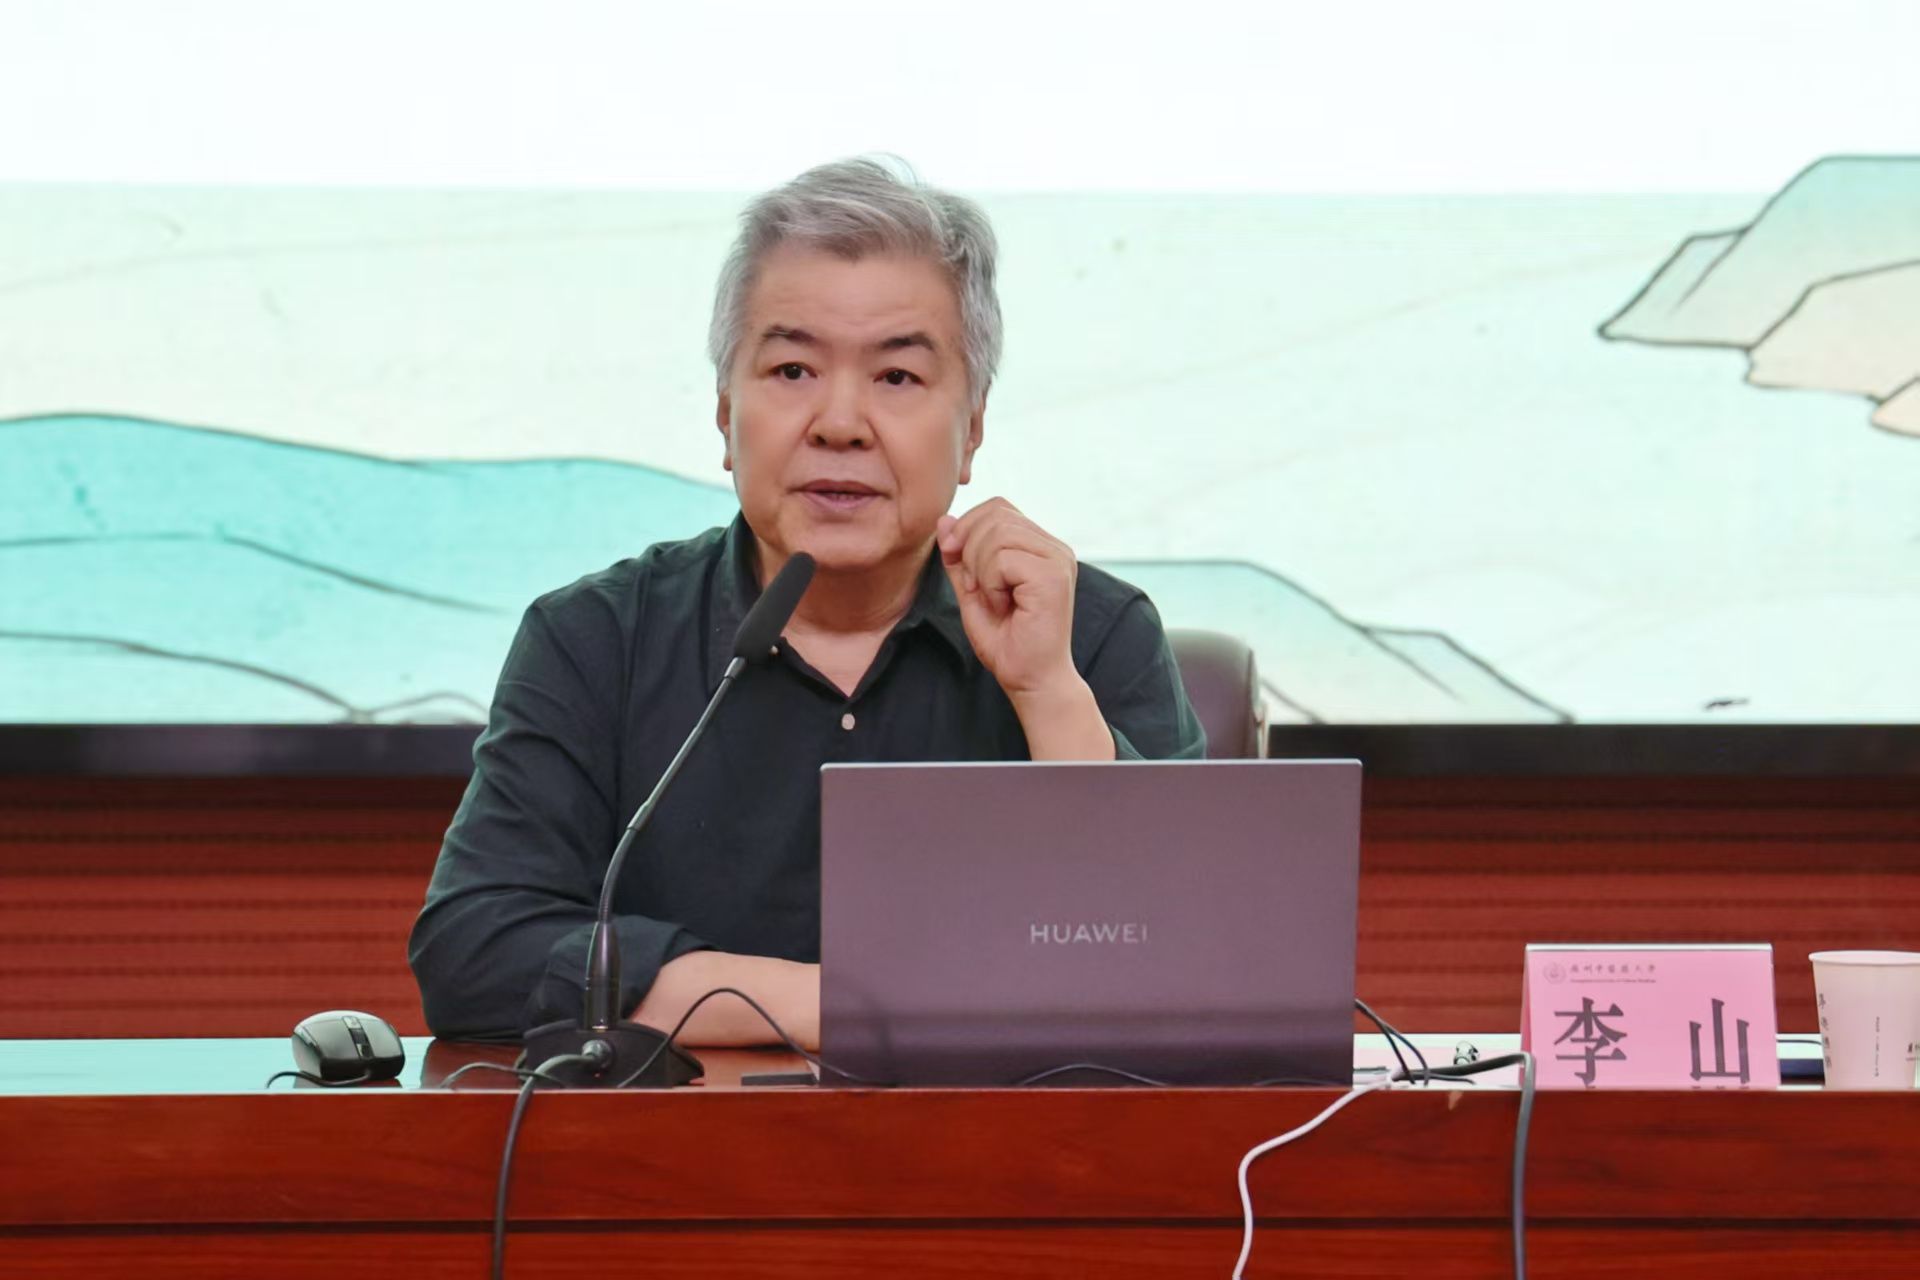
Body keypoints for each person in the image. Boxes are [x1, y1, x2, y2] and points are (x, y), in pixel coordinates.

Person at [408, 158, 1205, 1048]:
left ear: (972, 429)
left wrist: (1048, 695)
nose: (840, 423)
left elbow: (1203, 965)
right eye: (792, 370)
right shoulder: (597, 640)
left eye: (897, 378)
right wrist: (837, 1005)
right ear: (725, 416)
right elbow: (475, 952)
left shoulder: (1086, 634)